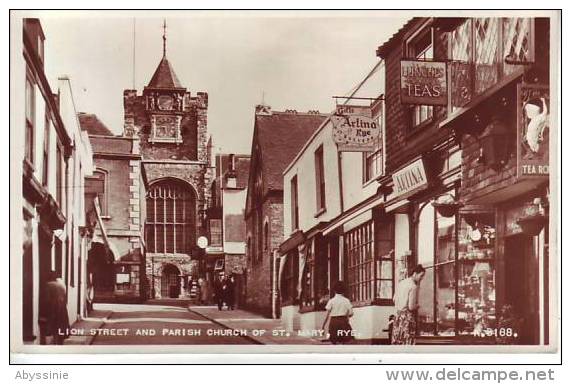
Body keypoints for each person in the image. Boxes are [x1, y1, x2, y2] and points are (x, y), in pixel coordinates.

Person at [391, 264, 426, 345]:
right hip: (407, 319)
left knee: (398, 342)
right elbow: (411, 307)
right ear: (415, 273)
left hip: (397, 317)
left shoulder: (402, 283)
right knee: (407, 343)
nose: (422, 278)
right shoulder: (413, 286)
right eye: (421, 276)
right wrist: (418, 305)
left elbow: (394, 299)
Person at [43, 271, 70, 345]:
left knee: (53, 328)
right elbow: (65, 297)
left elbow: (47, 300)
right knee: (61, 326)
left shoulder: (48, 285)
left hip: (54, 309)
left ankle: (54, 344)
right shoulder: (61, 285)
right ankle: (60, 343)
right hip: (62, 309)